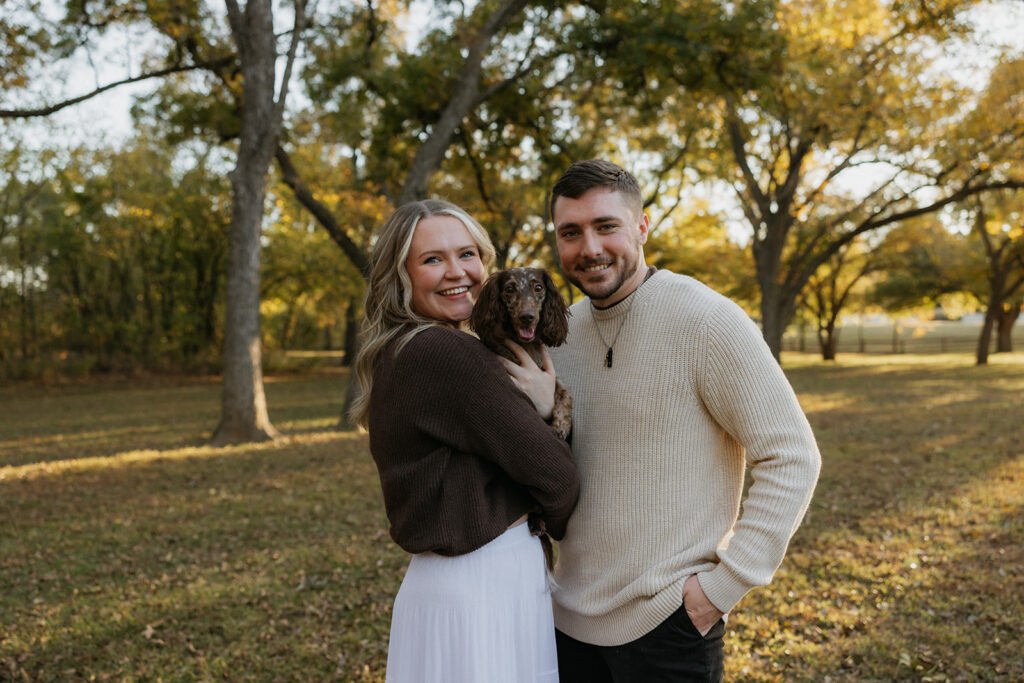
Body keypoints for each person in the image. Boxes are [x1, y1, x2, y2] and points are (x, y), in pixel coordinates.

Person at [504, 160, 821, 681]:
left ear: (642, 226)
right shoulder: (556, 336)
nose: (590, 248)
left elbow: (791, 455)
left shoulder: (706, 319)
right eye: (571, 232)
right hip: (565, 623)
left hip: (668, 625)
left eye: (606, 226)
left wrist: (721, 588)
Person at [350, 199, 579, 683]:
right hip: (485, 584)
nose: (457, 272)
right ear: (401, 275)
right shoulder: (446, 353)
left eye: (467, 254)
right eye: (432, 259)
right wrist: (543, 408)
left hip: (444, 583)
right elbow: (557, 477)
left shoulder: (404, 347)